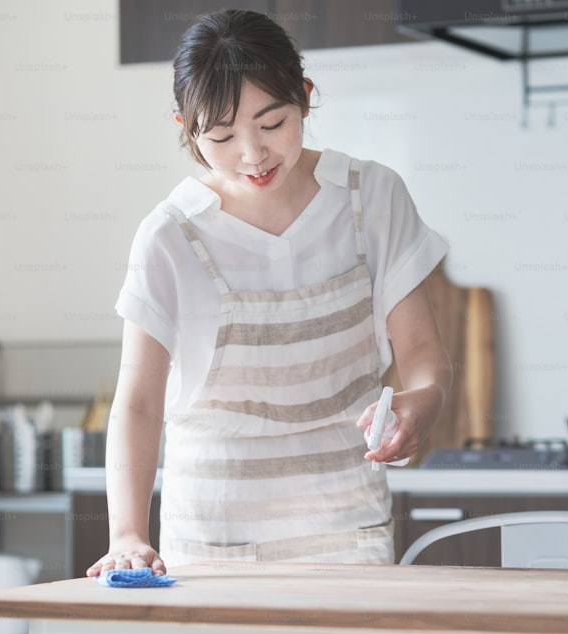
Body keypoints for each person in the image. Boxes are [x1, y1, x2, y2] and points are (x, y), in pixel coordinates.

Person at [86, 9, 451, 576]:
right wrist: (128, 533)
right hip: (211, 542)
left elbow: (423, 355)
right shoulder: (170, 235)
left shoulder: (370, 198)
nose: (252, 154)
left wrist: (424, 400)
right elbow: (137, 401)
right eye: (223, 136)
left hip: (348, 534)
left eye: (273, 122)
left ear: (304, 97)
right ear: (186, 127)